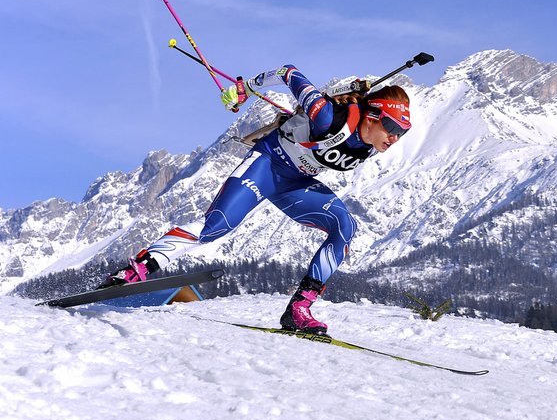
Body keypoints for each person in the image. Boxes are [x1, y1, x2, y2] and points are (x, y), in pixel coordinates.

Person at [99, 64, 412, 334]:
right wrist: (246, 88)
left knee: (344, 227)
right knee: (216, 226)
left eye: (403, 131)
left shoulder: (372, 143)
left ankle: (299, 310)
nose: (395, 137)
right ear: (372, 116)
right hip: (266, 166)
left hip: (296, 184)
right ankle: (137, 268)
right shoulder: (326, 116)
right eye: (392, 126)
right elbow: (289, 72)